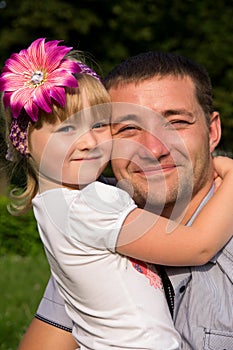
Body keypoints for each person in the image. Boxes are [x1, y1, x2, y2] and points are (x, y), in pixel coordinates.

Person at [3, 43, 230, 349]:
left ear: (213, 131)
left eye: (176, 122)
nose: (154, 148)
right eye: (127, 128)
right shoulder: (97, 223)